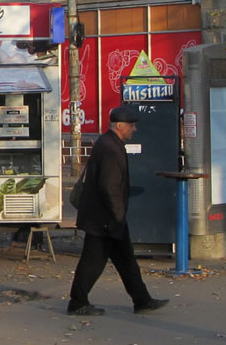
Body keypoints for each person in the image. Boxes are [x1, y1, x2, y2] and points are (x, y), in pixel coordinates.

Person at [67, 105, 169, 316]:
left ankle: (142, 300)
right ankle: (77, 303)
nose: (134, 129)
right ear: (120, 126)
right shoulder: (111, 149)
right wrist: (118, 216)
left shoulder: (108, 143)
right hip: (105, 219)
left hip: (106, 217)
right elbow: (110, 187)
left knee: (126, 260)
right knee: (93, 262)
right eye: (131, 125)